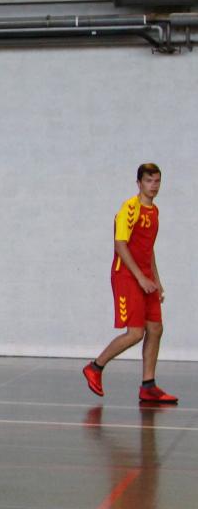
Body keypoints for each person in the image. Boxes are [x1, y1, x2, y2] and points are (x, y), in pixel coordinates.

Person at [82, 162, 177, 404]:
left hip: (145, 277)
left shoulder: (154, 212)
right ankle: (95, 367)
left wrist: (156, 280)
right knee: (135, 333)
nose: (153, 186)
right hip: (126, 276)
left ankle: (148, 385)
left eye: (157, 181)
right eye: (149, 181)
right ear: (139, 183)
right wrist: (141, 278)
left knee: (155, 328)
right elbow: (120, 245)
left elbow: (148, 249)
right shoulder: (129, 209)